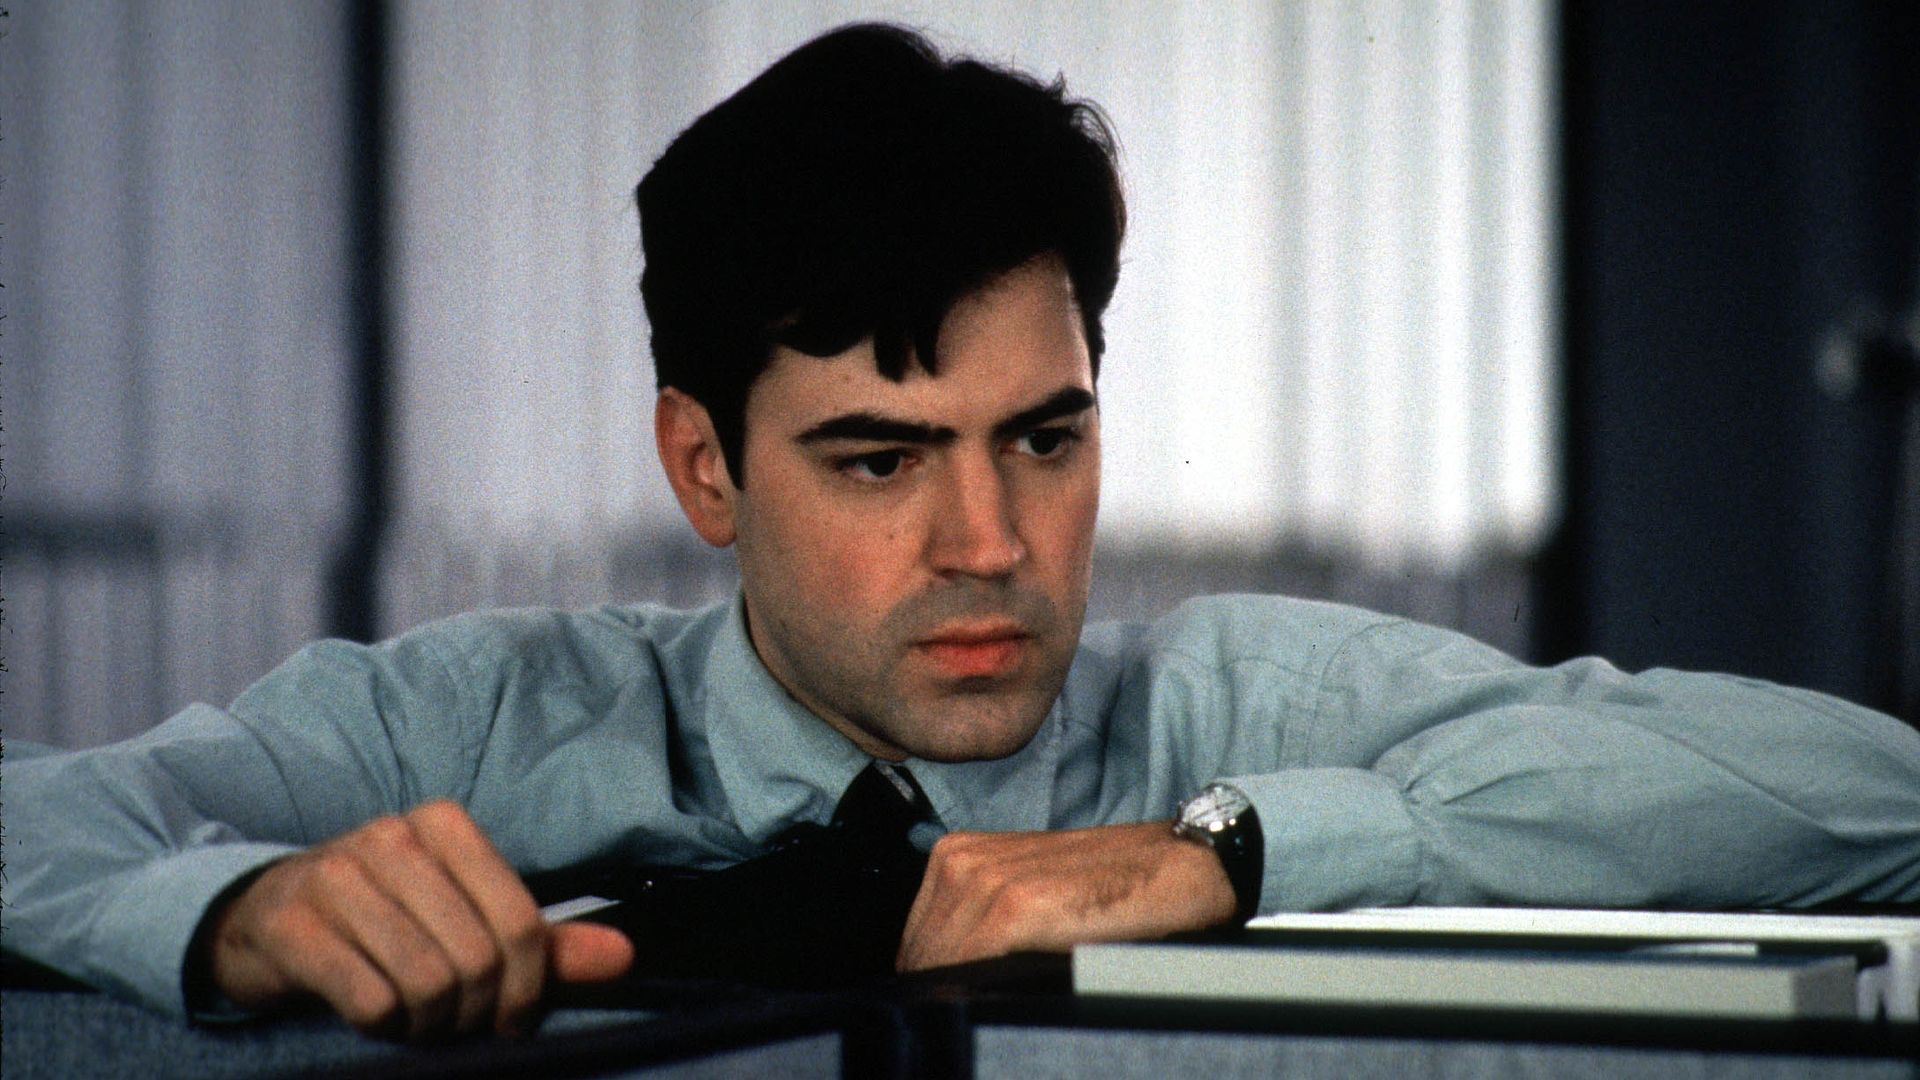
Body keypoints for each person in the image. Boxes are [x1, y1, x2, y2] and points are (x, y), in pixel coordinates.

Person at [8, 22, 1920, 1044]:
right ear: (704, 470)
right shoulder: (478, 726)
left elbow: (1873, 797)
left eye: (1046, 435)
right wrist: (242, 913)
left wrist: (1233, 855)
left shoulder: (1241, 701)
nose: (993, 541)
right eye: (875, 460)